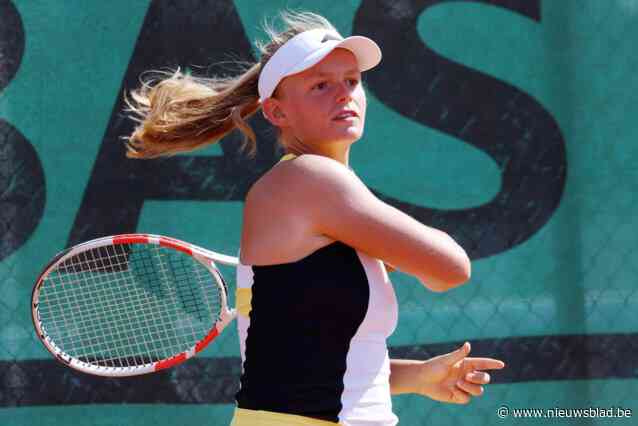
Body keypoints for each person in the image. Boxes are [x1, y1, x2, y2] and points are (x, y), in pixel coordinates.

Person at [124, 10, 505, 426]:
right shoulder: (311, 180)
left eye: (352, 81)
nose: (344, 94)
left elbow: (312, 361)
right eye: (321, 85)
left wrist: (417, 376)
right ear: (276, 112)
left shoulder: (325, 192)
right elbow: (450, 268)